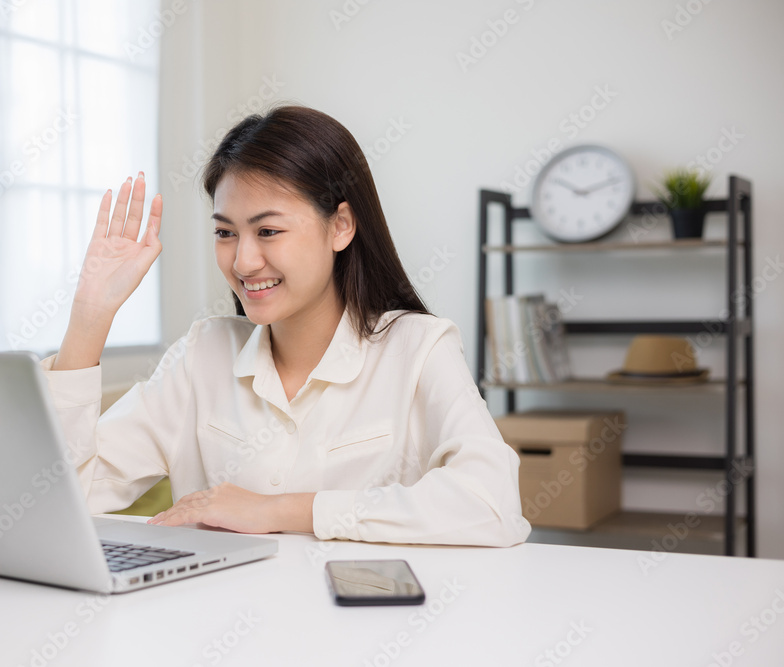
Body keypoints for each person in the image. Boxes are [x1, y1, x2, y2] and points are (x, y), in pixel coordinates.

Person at [38, 105, 531, 547]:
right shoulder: (204, 353)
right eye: (225, 233)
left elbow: (491, 504)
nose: (244, 260)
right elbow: (58, 500)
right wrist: (90, 313)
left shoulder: (418, 347)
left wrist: (278, 510)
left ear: (340, 226)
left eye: (268, 231)